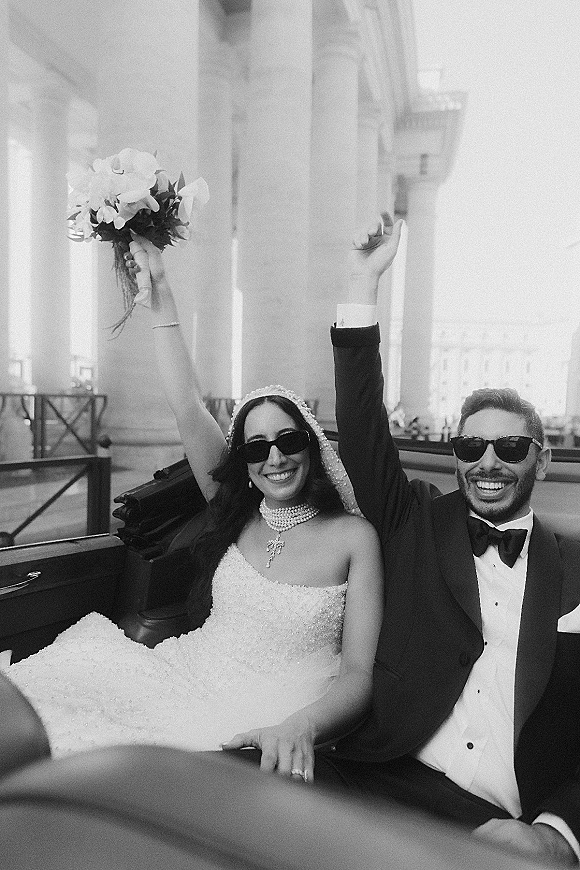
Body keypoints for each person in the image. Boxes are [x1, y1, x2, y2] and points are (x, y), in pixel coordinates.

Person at [4, 236, 383, 783]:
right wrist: (163, 302)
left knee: (99, 772)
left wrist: (300, 726)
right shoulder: (238, 512)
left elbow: (356, 675)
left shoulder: (353, 538)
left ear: (311, 446)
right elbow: (187, 405)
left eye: (287, 440)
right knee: (45, 700)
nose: (273, 458)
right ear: (244, 461)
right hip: (183, 673)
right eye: (255, 448)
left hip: (267, 719)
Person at [309, 215, 580, 865]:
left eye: (510, 446)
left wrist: (559, 832)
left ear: (540, 461)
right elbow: (361, 419)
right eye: (471, 445)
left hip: (495, 819)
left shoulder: (576, 569)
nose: (488, 461)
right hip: (372, 774)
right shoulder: (413, 520)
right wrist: (360, 283)